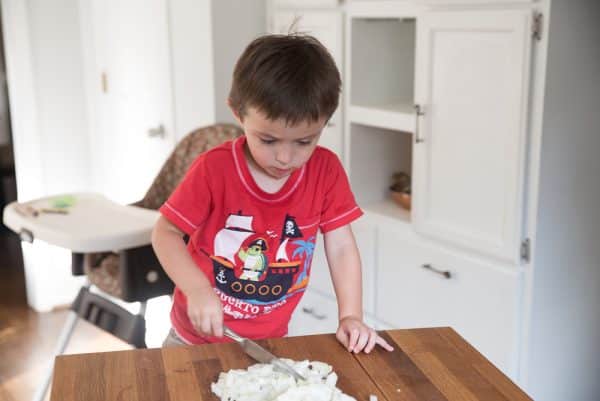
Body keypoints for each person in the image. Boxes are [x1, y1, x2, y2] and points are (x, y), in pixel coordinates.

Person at [152, 33, 393, 354]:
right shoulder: (214, 169)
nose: (284, 157)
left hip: (269, 341)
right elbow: (165, 233)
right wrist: (196, 289)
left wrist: (351, 315)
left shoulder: (326, 171)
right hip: (193, 339)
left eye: (304, 141)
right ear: (238, 113)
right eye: (268, 140)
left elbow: (341, 247)